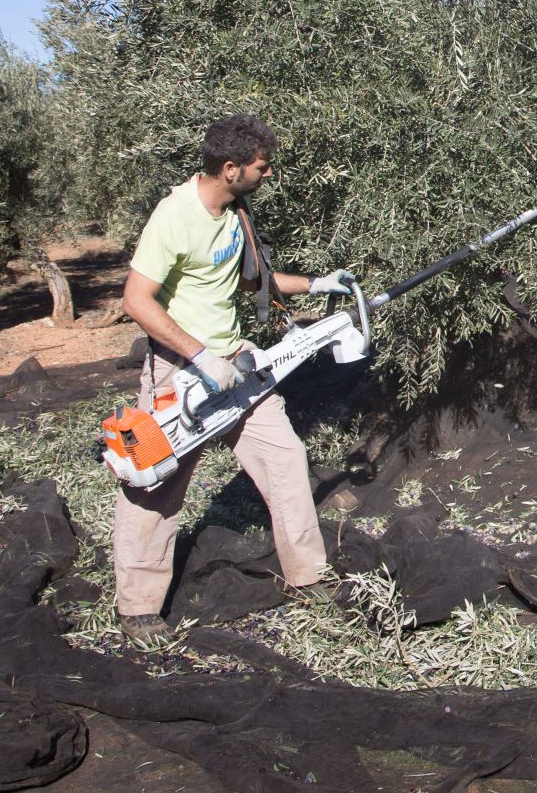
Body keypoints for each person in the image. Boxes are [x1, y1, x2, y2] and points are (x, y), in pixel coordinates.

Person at [112, 114, 355, 645]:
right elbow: (135, 299)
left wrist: (319, 283)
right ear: (231, 168)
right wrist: (201, 356)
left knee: (285, 459)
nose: (268, 175)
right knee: (157, 483)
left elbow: (257, 282)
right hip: (181, 371)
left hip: (238, 363)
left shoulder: (234, 214)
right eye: (262, 168)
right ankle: (136, 609)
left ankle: (308, 576)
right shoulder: (174, 217)